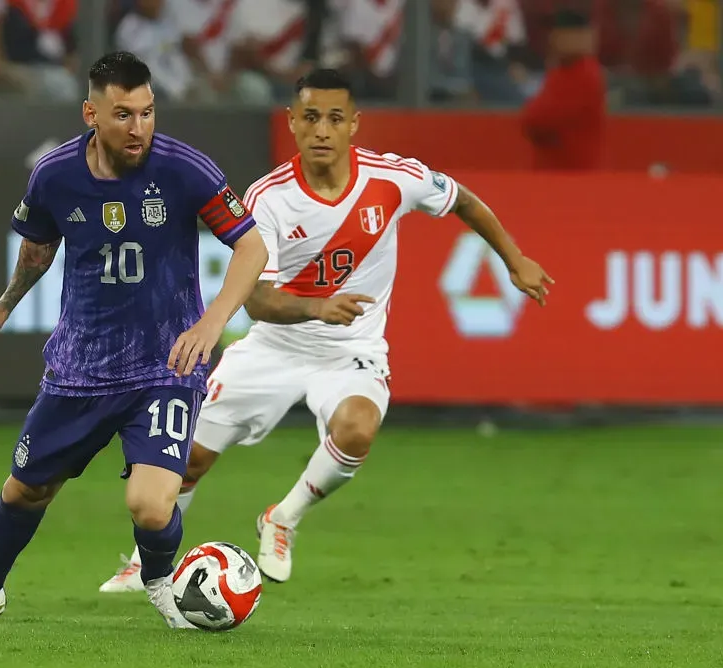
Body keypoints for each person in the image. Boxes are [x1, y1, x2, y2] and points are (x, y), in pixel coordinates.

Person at [99, 68, 553, 591]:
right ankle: (144, 558)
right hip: (273, 347)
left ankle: (282, 519)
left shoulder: (393, 179)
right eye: (310, 117)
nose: (321, 130)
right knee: (190, 459)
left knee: (358, 428)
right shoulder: (268, 198)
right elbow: (260, 301)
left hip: (351, 350)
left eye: (334, 119)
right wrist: (317, 308)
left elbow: (464, 201)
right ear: (292, 122)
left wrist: (514, 260)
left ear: (354, 125)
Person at [0, 51, 268, 627]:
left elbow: (252, 246)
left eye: (147, 113)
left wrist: (211, 322)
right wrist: (3, 305)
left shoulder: (184, 169)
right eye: (124, 115)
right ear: (91, 113)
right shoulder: (55, 174)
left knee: (149, 505)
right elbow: (38, 248)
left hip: (165, 362)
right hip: (81, 365)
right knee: (24, 493)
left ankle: (161, 585)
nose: (139, 128)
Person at [521, 9, 606, 171]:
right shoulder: (560, 71)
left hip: (575, 174)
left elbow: (539, 119)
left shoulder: (585, 73)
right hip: (553, 171)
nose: (553, 38)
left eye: (560, 32)